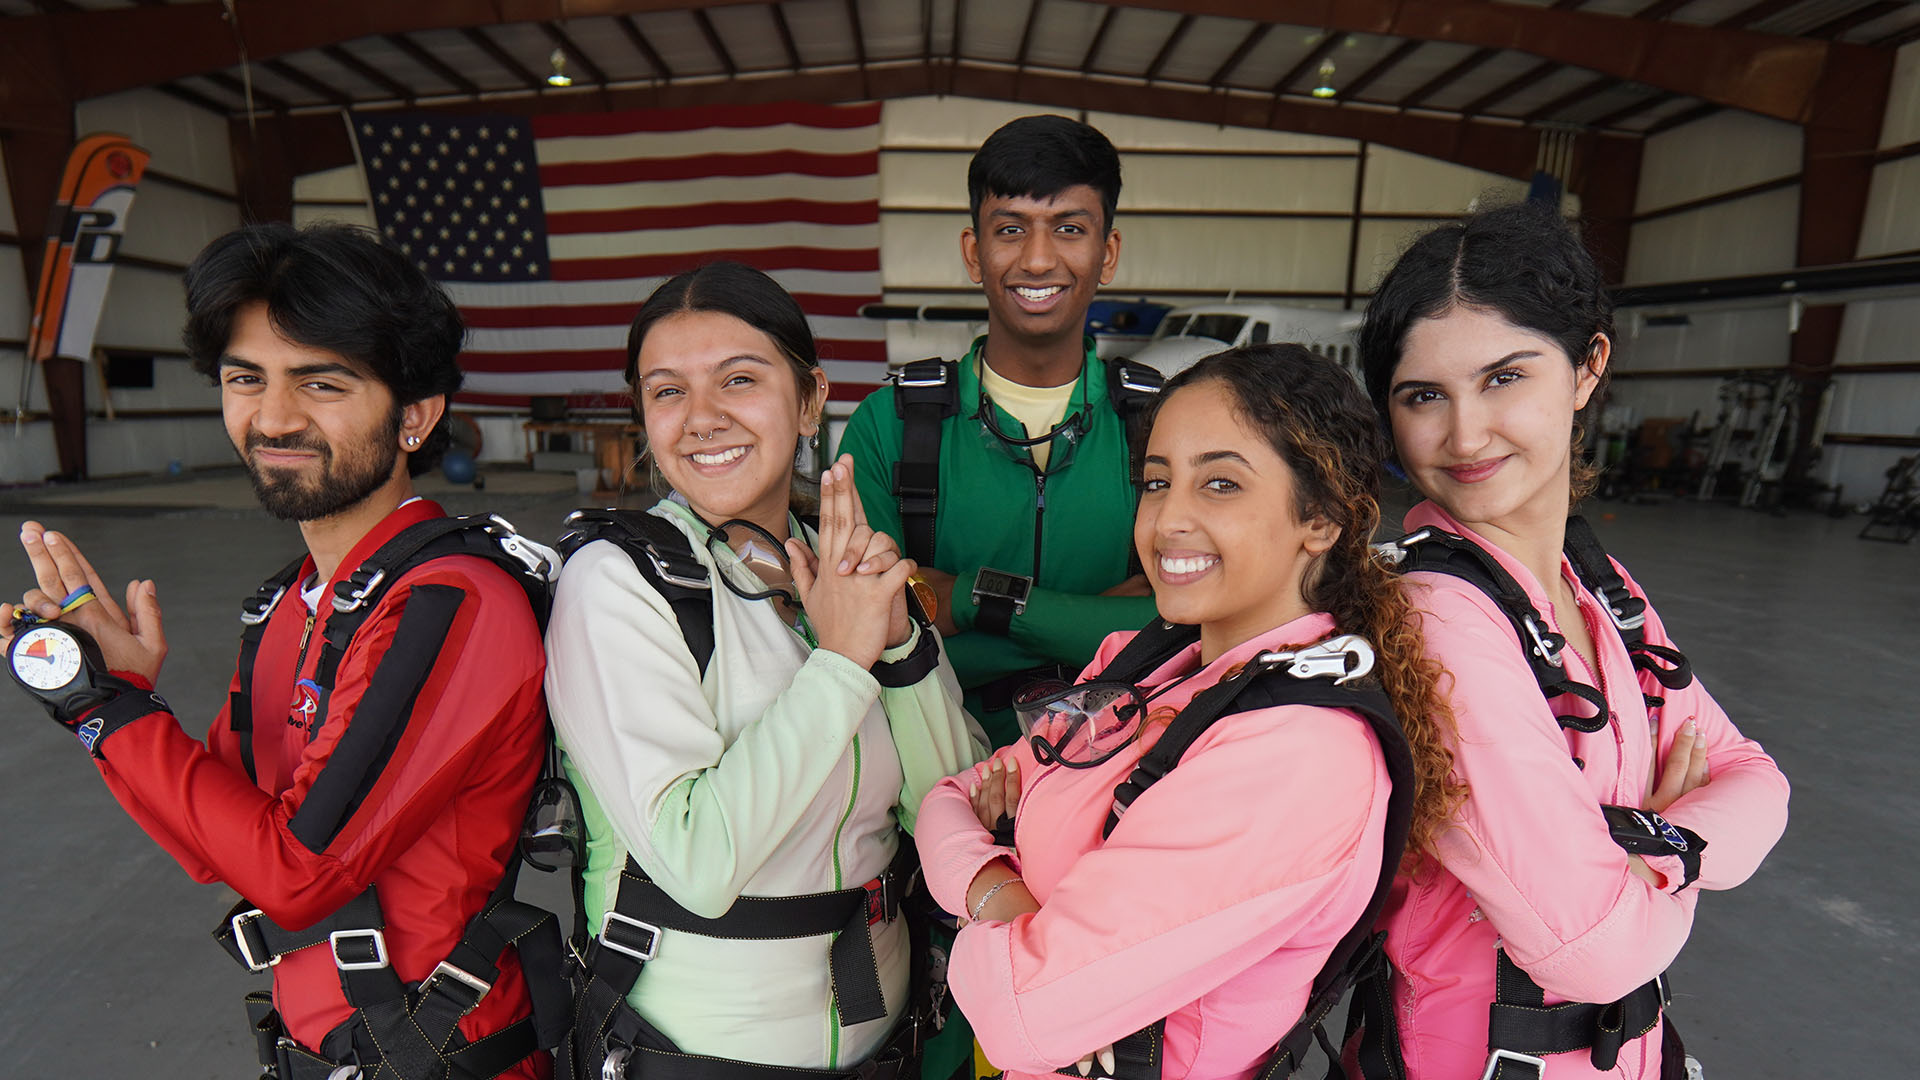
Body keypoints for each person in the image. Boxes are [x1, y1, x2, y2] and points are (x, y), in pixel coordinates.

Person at [0, 223, 558, 1079]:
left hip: (440, 1056)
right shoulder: (291, 603)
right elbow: (213, 847)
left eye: (321, 382)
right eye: (245, 379)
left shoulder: (451, 604)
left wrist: (101, 705)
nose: (274, 417)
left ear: (415, 414)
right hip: (330, 1051)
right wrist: (120, 701)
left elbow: (297, 874)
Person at [913, 346, 1465, 1080]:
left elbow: (1019, 1013)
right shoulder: (1152, 663)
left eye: (1220, 484)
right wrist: (1008, 900)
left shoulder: (1299, 754)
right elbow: (946, 801)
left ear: (1322, 518)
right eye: (1156, 482)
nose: (1168, 519)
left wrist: (987, 881)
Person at [1350, 200, 1791, 1080]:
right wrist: (1676, 850)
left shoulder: (1600, 588)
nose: (1465, 434)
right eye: (1424, 396)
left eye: (1504, 378)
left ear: (1588, 366)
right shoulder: (1438, 620)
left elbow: (1757, 779)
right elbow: (1593, 949)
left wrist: (1647, 855)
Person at [543, 261, 983, 1080]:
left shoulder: (844, 567)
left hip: (887, 1038)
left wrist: (897, 645)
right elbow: (698, 864)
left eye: (739, 380)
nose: (701, 418)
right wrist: (842, 662)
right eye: (667, 391)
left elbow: (959, 805)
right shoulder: (616, 583)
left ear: (811, 399)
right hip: (694, 1052)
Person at [838, 114, 1161, 752]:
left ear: (1108, 253)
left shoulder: (1163, 425)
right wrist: (1096, 618)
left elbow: (1190, 618)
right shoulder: (888, 426)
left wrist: (966, 600)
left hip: (1116, 763)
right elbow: (870, 624)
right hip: (929, 759)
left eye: (1069, 228)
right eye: (1010, 229)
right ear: (973, 252)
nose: (1038, 259)